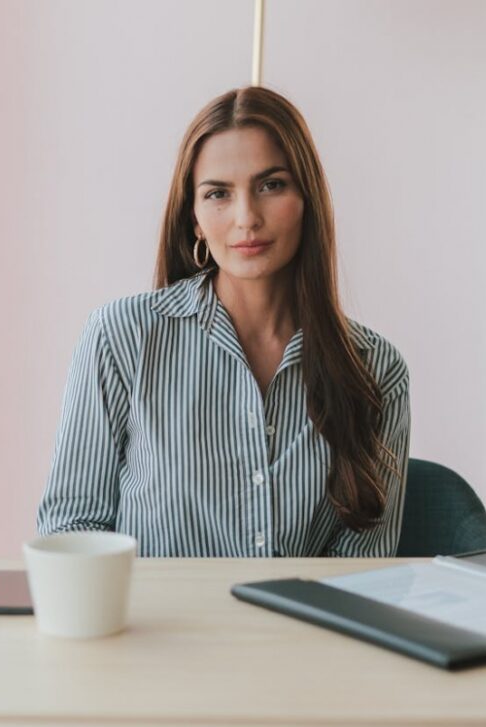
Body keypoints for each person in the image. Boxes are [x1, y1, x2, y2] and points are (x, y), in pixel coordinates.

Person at [37, 86, 410, 557]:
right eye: (218, 194)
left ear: (307, 199)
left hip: (303, 632)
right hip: (155, 629)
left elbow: (363, 566)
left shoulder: (377, 368)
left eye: (271, 185)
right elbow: (71, 529)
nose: (246, 218)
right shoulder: (120, 337)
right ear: (193, 218)